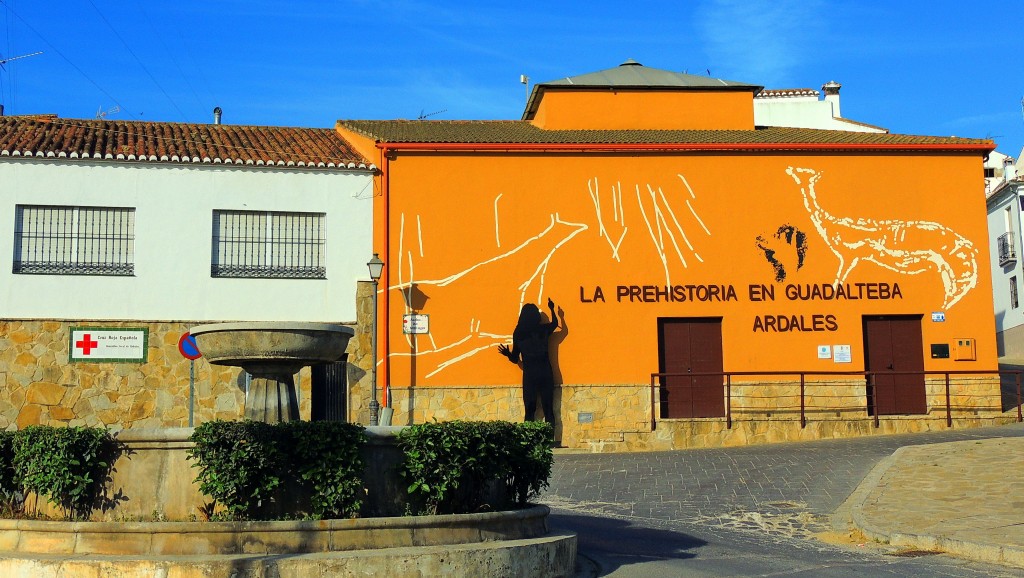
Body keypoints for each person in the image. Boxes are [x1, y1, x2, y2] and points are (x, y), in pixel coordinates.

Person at [498, 298, 559, 423]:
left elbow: (515, 358)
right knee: (548, 410)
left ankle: (529, 440)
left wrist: (507, 354)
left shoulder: (519, 333)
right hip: (545, 372)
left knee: (529, 411)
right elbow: (555, 323)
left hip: (530, 374)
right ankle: (550, 441)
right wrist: (552, 309)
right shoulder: (543, 330)